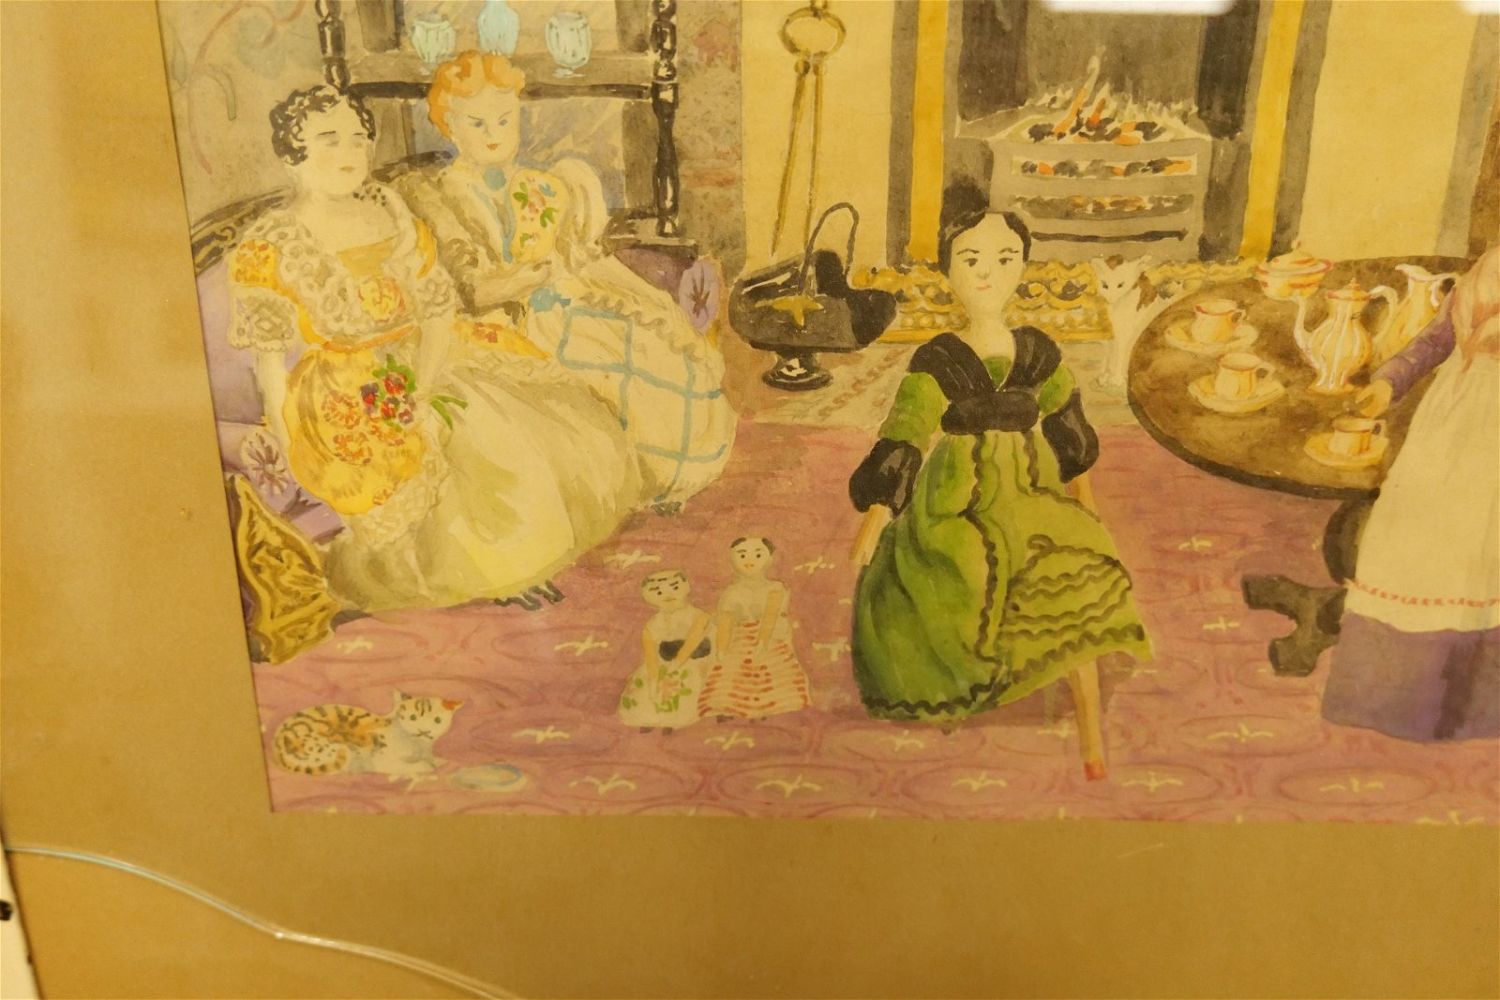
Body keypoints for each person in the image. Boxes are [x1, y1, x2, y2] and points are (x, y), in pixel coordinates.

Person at [228, 85, 639, 613]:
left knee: (528, 421)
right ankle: (493, 572)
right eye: (329, 140)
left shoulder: (388, 207)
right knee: (453, 442)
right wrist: (290, 442)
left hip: (426, 354)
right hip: (342, 385)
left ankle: (521, 562)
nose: (349, 154)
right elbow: (268, 361)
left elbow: (438, 306)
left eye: (357, 139)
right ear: (293, 156)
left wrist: (424, 380)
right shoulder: (271, 243)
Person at [846, 182, 1151, 779]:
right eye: (971, 259)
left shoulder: (1038, 351)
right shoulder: (938, 358)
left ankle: (1091, 737)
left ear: (1024, 267)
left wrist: (1086, 505)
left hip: (1028, 487)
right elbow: (907, 434)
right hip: (953, 496)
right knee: (963, 569)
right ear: (948, 270)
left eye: (1005, 258)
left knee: (1074, 570)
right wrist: (875, 519)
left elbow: (1069, 431)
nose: (988, 273)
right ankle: (969, 681)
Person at [403, 50, 736, 510]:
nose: (494, 134)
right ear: (450, 128)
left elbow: (580, 262)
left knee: (652, 351)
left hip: (561, 305)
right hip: (498, 323)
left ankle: (665, 479)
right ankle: (628, 485)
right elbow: (472, 290)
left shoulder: (548, 185)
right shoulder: (438, 197)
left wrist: (611, 294)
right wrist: (529, 280)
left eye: (504, 120)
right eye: (477, 123)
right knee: (593, 381)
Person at [1322, 247, 1499, 740]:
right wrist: (1388, 383)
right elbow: (1435, 340)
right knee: (1416, 551)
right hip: (1450, 423)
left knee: (1482, 560)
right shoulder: (1488, 269)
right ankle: (1396, 700)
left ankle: (1479, 708)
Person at [698, 538, 811, 721]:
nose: (749, 560)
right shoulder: (731, 592)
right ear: (732, 558)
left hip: (769, 639)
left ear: (769, 559)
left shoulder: (775, 588)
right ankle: (730, 709)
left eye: (758, 555)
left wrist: (762, 643)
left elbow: (770, 618)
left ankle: (771, 711)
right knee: (731, 673)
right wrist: (722, 648)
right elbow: (726, 621)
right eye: (742, 555)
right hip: (739, 640)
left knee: (772, 671)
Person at [617, 571, 713, 733]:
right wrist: (654, 681)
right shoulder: (653, 624)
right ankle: (649, 719)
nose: (667, 595)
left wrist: (672, 669)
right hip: (664, 662)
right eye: (658, 592)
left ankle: (670, 721)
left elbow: (689, 646)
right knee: (645, 684)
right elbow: (651, 657)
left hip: (693, 661)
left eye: (674, 588)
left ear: (686, 587)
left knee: (680, 682)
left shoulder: (699, 616)